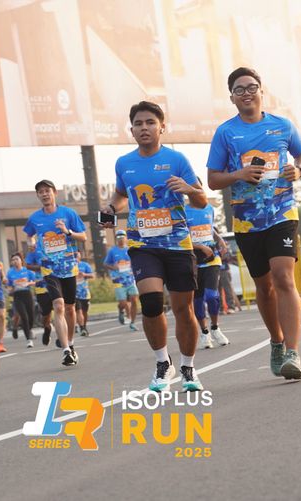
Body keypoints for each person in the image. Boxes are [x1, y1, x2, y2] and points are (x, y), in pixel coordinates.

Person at [207, 67, 301, 380]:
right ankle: (276, 341)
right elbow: (213, 180)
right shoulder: (225, 133)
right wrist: (238, 175)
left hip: (282, 212)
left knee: (284, 277)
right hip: (247, 221)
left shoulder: (282, 125)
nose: (246, 93)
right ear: (232, 98)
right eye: (239, 89)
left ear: (261, 91)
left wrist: (299, 170)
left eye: (251, 87)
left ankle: (292, 352)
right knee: (264, 287)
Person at [100, 101, 206, 392]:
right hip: (142, 243)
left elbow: (201, 201)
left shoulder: (177, 160)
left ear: (162, 127)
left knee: (183, 308)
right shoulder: (124, 163)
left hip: (177, 244)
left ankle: (188, 367)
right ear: (131, 130)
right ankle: (163, 363)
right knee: (151, 303)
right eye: (138, 123)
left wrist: (189, 189)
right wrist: (110, 208)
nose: (144, 128)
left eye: (150, 122)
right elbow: (121, 195)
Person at [23, 180, 87, 366]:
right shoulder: (35, 218)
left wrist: (67, 232)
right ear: (38, 196)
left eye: (47, 191)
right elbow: (28, 234)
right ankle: (65, 350)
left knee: (69, 308)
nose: (44, 194)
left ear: (54, 193)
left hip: (68, 267)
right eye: (40, 192)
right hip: (49, 268)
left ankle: (71, 344)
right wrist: (30, 243)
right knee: (58, 306)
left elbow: (83, 236)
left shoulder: (68, 213)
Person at [185, 201, 229, 349]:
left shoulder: (209, 208)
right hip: (193, 262)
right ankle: (204, 332)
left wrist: (220, 240)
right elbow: (181, 238)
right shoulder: (183, 211)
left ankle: (215, 328)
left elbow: (210, 229)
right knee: (197, 301)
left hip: (212, 259)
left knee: (211, 296)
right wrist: (200, 247)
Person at [103, 230, 139, 331]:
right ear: (116, 239)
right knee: (123, 303)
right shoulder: (112, 251)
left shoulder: (130, 249)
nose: (121, 239)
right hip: (118, 280)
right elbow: (105, 263)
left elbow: (136, 261)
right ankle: (121, 310)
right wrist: (113, 267)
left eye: (122, 237)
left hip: (130, 279)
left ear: (126, 238)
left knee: (134, 300)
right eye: (119, 238)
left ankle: (132, 322)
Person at [6, 253, 36, 348]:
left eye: (17, 259)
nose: (15, 261)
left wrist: (28, 283)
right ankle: (29, 339)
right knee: (24, 317)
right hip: (17, 296)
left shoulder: (27, 271)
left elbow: (34, 281)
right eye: (13, 260)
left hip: (27, 294)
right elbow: (9, 286)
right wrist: (10, 289)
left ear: (21, 261)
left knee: (31, 316)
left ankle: (28, 329)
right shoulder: (10, 272)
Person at [25, 244, 53, 345]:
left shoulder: (56, 245)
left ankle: (62, 338)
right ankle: (47, 328)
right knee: (46, 315)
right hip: (41, 288)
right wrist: (42, 267)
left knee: (60, 309)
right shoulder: (35, 249)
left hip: (56, 283)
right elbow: (28, 265)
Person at [74, 252, 94, 336]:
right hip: (74, 292)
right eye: (74, 256)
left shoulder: (85, 265)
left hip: (84, 292)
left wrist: (84, 274)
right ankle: (81, 327)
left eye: (77, 256)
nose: (75, 258)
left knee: (85, 311)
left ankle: (84, 326)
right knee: (78, 310)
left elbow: (92, 275)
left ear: (80, 256)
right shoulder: (69, 266)